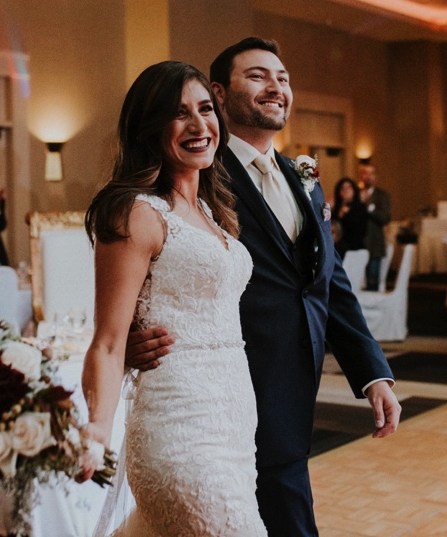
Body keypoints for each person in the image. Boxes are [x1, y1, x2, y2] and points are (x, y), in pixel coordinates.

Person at [122, 38, 399, 536]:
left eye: (283, 77)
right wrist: (128, 337)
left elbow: (326, 283)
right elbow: (147, 262)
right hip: (217, 390)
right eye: (258, 76)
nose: (276, 87)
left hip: (291, 386)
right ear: (220, 94)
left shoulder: (303, 178)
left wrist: (373, 373)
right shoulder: (197, 170)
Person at [79, 61, 266, 534]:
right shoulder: (136, 213)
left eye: (206, 109)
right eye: (179, 114)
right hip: (178, 430)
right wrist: (98, 428)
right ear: (150, 127)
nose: (199, 125)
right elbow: (107, 340)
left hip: (235, 428)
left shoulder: (212, 210)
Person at [358, 164, 392, 290]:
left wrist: (369, 206)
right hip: (358, 244)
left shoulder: (382, 195)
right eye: (365, 173)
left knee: (372, 283)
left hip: (374, 245)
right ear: (361, 176)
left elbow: (385, 218)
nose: (368, 176)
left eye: (371, 173)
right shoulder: (356, 194)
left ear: (376, 177)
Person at [331, 177, 368, 257]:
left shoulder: (359, 207)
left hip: (354, 249)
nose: (346, 191)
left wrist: (348, 214)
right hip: (337, 248)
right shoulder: (336, 209)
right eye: (342, 188)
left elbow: (361, 228)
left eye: (349, 187)